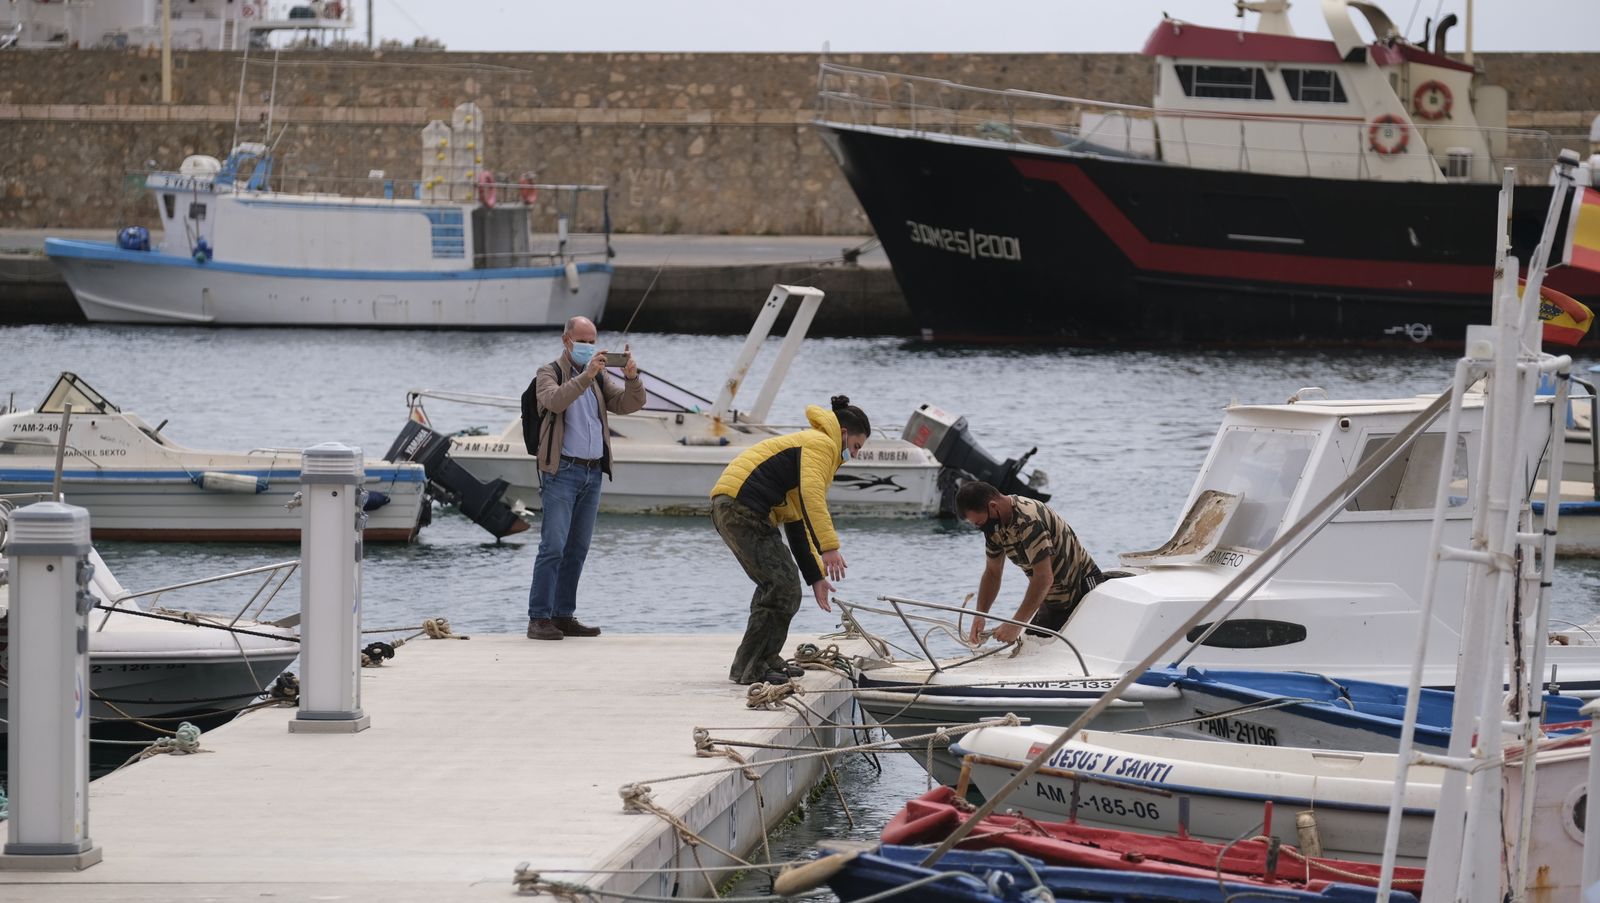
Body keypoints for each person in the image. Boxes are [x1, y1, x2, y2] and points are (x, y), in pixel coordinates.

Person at [710, 395, 871, 685]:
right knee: (781, 586)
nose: (855, 455)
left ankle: (763, 658)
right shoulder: (821, 444)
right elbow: (812, 498)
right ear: (844, 434)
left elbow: (798, 522)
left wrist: (816, 576)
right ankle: (750, 667)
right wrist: (830, 547)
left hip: (735, 508)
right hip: (741, 508)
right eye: (857, 446)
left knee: (781, 585)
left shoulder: (812, 448)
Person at [522, 316, 645, 641]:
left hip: (592, 472)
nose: (589, 345)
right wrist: (586, 375)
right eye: (583, 340)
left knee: (577, 548)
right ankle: (539, 618)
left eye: (593, 339)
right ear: (567, 341)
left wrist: (632, 379)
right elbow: (553, 400)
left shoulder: (599, 378)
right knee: (553, 546)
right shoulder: (549, 372)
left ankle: (563, 615)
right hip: (561, 471)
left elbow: (630, 403)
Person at [956, 481, 1102, 645]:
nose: (981, 529)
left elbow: (1044, 577)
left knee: (1063, 649)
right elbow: (992, 572)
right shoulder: (994, 526)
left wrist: (1015, 624)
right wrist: (980, 615)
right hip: (1050, 597)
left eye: (979, 524)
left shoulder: (1029, 519)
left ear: (993, 506)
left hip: (1081, 587)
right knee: (1031, 645)